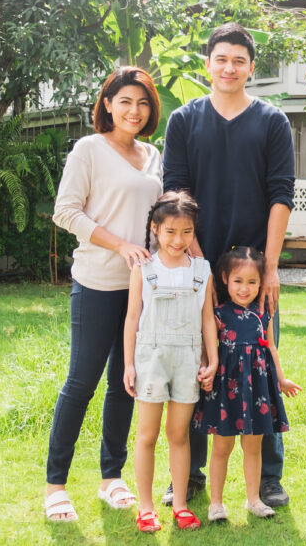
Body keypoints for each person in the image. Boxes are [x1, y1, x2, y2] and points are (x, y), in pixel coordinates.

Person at [162, 22, 296, 507]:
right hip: (196, 266)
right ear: (208, 64)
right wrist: (198, 264)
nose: (229, 67)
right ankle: (190, 475)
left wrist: (272, 269)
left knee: (258, 365)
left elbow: (281, 195)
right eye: (221, 58)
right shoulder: (183, 120)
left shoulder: (272, 122)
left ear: (251, 68)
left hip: (252, 275)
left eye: (239, 60)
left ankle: (269, 480)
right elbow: (176, 193)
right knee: (199, 368)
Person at [44, 67, 163, 523]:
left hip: (142, 290)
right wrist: (120, 245)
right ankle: (56, 485)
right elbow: (65, 212)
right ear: (108, 104)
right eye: (125, 101)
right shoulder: (89, 150)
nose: (134, 110)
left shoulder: (153, 155)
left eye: (143, 103)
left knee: (125, 383)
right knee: (82, 383)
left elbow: (162, 216)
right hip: (97, 282)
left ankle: (111, 477)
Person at [122, 191, 218, 533]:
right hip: (151, 359)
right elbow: (132, 318)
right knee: (146, 435)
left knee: (179, 435)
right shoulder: (143, 268)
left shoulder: (202, 270)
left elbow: (208, 319)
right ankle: (145, 507)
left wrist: (212, 359)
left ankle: (179, 504)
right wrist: (128, 365)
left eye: (187, 232)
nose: (179, 240)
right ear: (155, 229)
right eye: (171, 232)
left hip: (189, 360)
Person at [194, 248, 301, 521]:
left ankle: (253, 499)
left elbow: (272, 348)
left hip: (257, 389)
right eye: (238, 281)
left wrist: (281, 378)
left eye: (252, 282)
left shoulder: (264, 313)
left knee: (252, 447)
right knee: (222, 447)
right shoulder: (218, 313)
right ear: (225, 279)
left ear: (261, 283)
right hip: (226, 387)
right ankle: (216, 504)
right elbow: (208, 344)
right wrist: (206, 366)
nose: (245, 288)